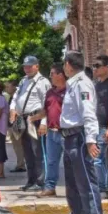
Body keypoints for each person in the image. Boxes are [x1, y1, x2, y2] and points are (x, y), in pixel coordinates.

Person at [56, 52, 105, 214]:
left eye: (64, 64)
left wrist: (91, 140)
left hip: (80, 137)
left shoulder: (82, 83)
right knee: (73, 184)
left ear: (68, 65)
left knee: (86, 182)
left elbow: (88, 113)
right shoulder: (73, 84)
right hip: (69, 138)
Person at [9, 56, 50, 192]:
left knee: (38, 151)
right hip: (22, 118)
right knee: (27, 151)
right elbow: (16, 97)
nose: (26, 69)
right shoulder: (23, 81)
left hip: (35, 119)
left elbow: (46, 104)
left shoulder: (43, 82)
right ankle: (31, 180)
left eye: (29, 66)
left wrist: (44, 122)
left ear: (37, 66)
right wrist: (12, 109)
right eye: (25, 66)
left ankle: (40, 181)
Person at [38, 64, 67, 197]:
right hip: (51, 132)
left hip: (66, 133)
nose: (50, 77)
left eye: (52, 74)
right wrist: (36, 119)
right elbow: (46, 111)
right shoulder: (50, 92)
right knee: (50, 161)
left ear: (60, 75)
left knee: (71, 161)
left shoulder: (70, 91)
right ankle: (50, 187)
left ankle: (76, 188)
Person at [92, 54, 108, 200]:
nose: (94, 68)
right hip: (95, 126)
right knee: (96, 158)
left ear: (106, 68)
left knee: (98, 158)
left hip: (104, 126)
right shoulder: (96, 84)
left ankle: (104, 189)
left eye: (97, 66)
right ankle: (100, 187)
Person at [5, 80, 27, 171]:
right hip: (14, 123)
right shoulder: (12, 97)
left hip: (17, 122)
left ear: (14, 87)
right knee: (16, 145)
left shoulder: (17, 96)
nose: (6, 89)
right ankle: (20, 163)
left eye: (8, 86)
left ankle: (21, 165)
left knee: (18, 145)